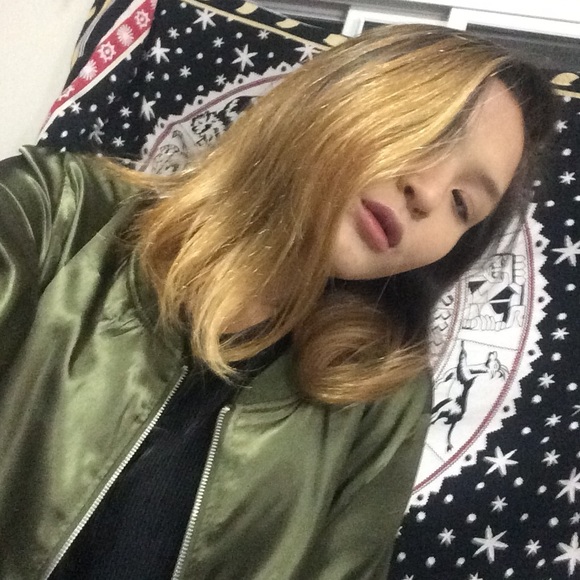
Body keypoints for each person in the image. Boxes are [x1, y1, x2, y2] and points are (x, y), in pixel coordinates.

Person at [0, 24, 555, 580]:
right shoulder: (57, 211)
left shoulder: (382, 400)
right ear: (337, 95)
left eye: (462, 203)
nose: (428, 195)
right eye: (425, 134)